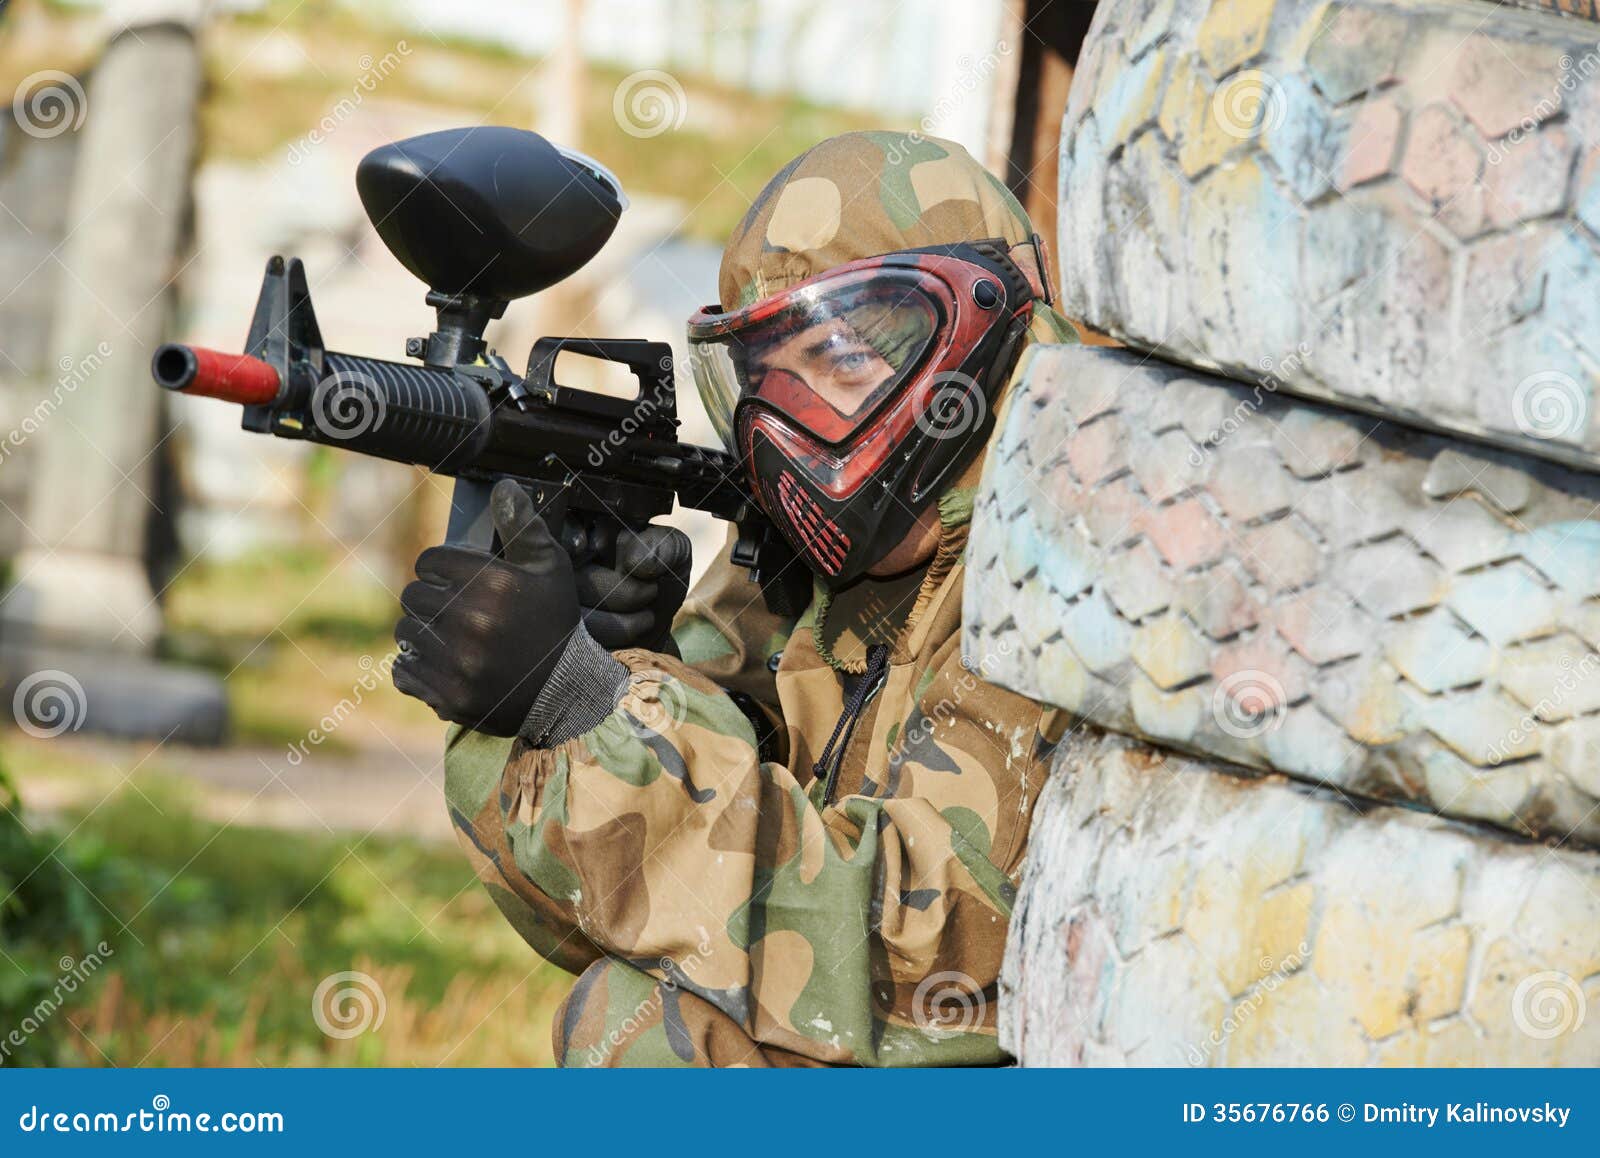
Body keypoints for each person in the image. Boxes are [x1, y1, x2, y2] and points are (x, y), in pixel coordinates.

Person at [392, 131, 1079, 1066]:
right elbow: (606, 922)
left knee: (655, 1040)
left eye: (842, 363)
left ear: (981, 343)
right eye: (765, 381)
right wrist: (577, 693)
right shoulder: (808, 565)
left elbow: (917, 961)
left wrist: (586, 707)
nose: (798, 428)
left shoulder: (1067, 564)